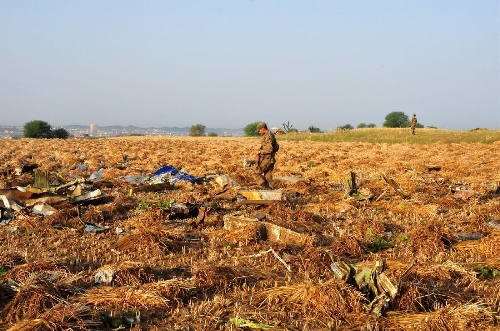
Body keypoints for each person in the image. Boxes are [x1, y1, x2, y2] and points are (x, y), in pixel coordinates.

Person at [256, 122, 279, 189]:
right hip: (271, 159)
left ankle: (264, 187)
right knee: (268, 177)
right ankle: (272, 191)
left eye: (259, 130)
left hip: (267, 159)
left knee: (255, 173)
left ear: (263, 129)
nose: (259, 132)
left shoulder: (268, 136)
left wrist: (260, 151)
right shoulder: (270, 135)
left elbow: (270, 149)